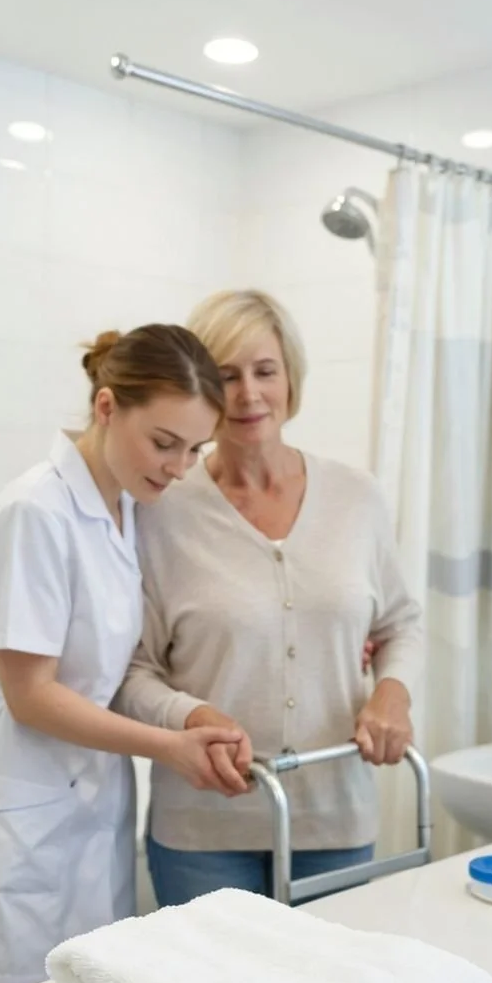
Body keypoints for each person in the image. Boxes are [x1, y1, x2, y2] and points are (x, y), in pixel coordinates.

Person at [0, 324, 247, 983]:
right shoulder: (33, 511)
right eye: (163, 443)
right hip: (13, 831)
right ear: (105, 407)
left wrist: (191, 715)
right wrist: (170, 749)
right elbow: (31, 696)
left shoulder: (124, 510)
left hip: (85, 822)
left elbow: (114, 667)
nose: (178, 467)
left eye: (194, 449)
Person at [116, 291, 423, 906]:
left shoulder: (356, 498)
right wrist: (190, 716)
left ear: (291, 378)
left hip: (334, 816)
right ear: (201, 387)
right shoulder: (160, 509)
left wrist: (392, 694)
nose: (249, 395)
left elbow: (401, 623)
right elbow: (131, 671)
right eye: (226, 376)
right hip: (203, 828)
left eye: (265, 371)